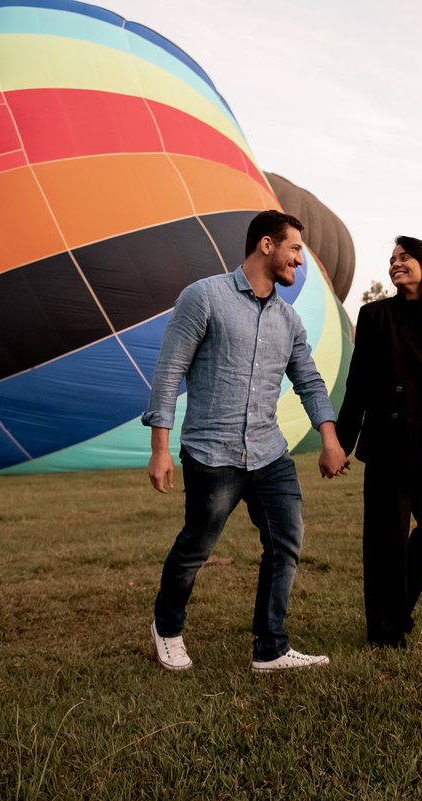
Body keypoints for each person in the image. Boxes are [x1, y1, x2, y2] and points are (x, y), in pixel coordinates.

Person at [141, 210, 349, 673]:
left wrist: (330, 439)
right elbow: (170, 369)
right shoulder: (204, 297)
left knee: (286, 542)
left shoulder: (289, 319)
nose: (301, 258)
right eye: (295, 248)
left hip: (269, 452)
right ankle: (167, 627)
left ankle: (270, 648)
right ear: (267, 245)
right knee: (197, 547)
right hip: (212, 453)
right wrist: (159, 448)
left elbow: (311, 382)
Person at [335, 236, 422, 648]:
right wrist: (343, 442)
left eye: (404, 257)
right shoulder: (376, 315)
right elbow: (358, 384)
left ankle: (393, 609)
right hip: (389, 442)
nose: (395, 264)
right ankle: (385, 631)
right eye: (392, 260)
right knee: (388, 540)